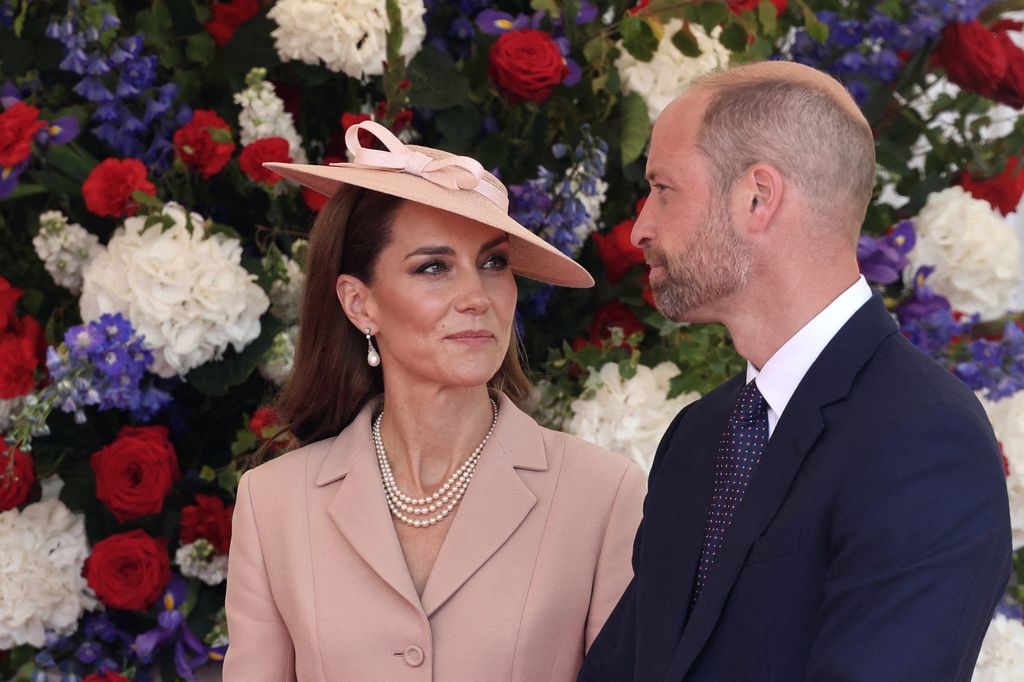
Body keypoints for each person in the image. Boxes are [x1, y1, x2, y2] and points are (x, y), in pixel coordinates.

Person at [579, 61, 1012, 681]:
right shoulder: (699, 435)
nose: (642, 227)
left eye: (663, 188)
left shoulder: (925, 440)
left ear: (758, 196)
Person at [223, 120, 646, 681]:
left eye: (494, 263)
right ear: (359, 303)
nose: (476, 297)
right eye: (433, 267)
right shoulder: (272, 503)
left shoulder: (604, 494)